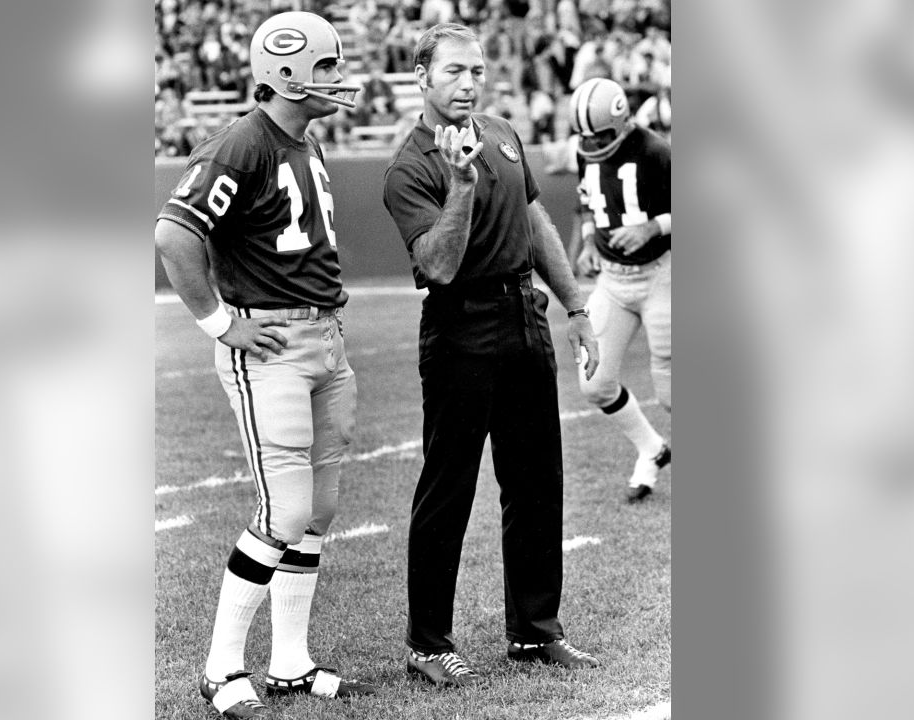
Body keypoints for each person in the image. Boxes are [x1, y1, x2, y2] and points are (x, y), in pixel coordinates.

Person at [154, 12, 374, 719]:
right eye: (327, 66)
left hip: (324, 342)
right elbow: (174, 233)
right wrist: (221, 322)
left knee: (319, 510)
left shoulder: (302, 141)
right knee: (283, 512)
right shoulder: (243, 142)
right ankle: (220, 669)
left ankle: (290, 663)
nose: (338, 78)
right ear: (287, 71)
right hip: (272, 345)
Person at [382, 22, 603, 688]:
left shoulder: (503, 132)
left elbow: (536, 224)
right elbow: (439, 265)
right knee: (448, 488)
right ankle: (428, 643)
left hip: (524, 317)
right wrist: (462, 183)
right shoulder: (409, 165)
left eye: (475, 71)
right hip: (461, 325)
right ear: (421, 77)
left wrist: (578, 306)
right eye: (453, 71)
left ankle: (534, 633)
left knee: (537, 482)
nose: (468, 83)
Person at [566, 77, 672, 504]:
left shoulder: (656, 152)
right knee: (595, 382)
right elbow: (589, 203)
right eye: (586, 136)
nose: (593, 144)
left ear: (623, 120)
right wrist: (590, 241)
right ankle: (652, 448)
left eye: (601, 134)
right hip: (612, 279)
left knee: (671, 395)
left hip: (661, 274)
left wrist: (652, 226)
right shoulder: (585, 150)